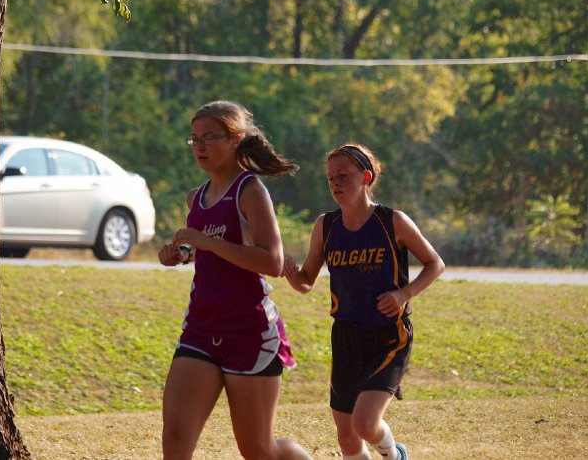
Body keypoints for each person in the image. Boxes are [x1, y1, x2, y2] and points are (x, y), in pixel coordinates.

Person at [158, 100, 312, 460]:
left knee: (258, 450)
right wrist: (181, 254)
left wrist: (208, 242)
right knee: (176, 442)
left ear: (236, 139)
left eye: (209, 138)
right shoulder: (195, 197)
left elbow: (272, 261)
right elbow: (205, 250)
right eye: (194, 139)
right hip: (200, 329)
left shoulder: (250, 191)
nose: (199, 147)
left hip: (249, 332)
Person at [282, 143, 445, 460]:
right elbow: (305, 281)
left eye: (343, 175)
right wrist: (290, 273)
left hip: (388, 335)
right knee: (347, 438)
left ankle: (394, 455)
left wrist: (404, 294)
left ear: (366, 177)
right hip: (346, 337)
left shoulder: (392, 221)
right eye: (330, 178)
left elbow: (434, 263)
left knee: (365, 424)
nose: (335, 183)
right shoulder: (326, 225)